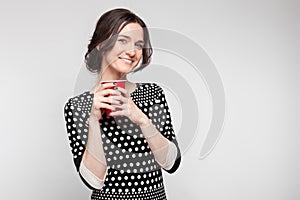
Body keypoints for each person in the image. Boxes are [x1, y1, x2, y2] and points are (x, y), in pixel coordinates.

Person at [63, 8, 181, 200]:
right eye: (123, 40)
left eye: (139, 44)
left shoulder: (152, 94)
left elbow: (171, 164)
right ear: (101, 44)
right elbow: (94, 181)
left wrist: (143, 120)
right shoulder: (78, 106)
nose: (132, 51)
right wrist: (93, 120)